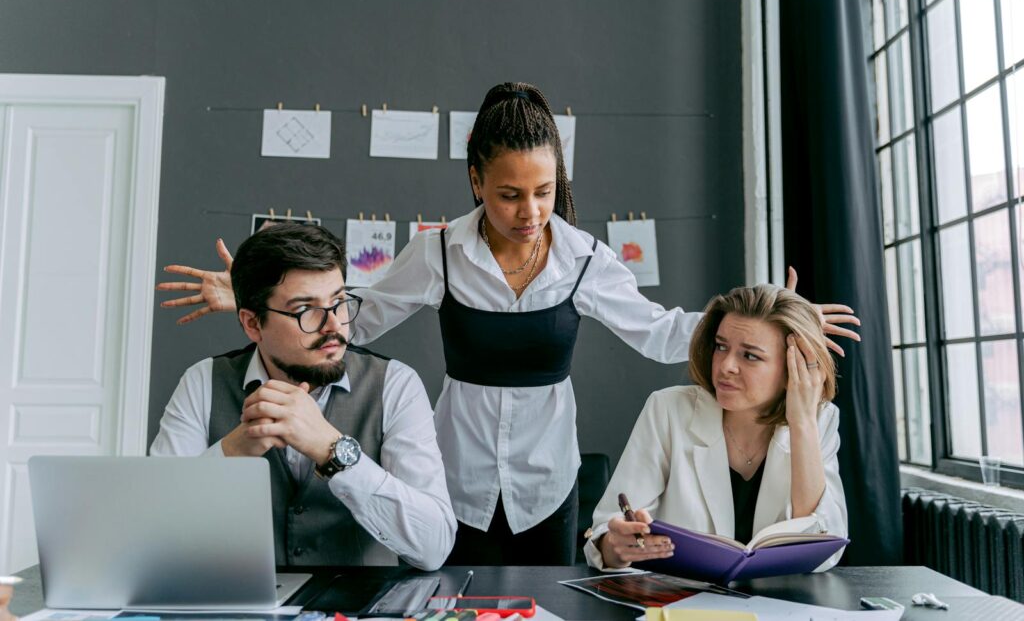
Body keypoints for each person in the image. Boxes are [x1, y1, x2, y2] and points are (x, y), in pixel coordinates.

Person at [156, 82, 860, 565]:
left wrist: (771, 313)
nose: (530, 211)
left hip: (546, 481)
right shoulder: (437, 251)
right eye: (509, 194)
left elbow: (664, 331)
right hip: (454, 478)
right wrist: (256, 296)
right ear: (474, 181)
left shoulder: (583, 260)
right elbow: (357, 314)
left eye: (545, 192)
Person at [150, 223, 456, 570]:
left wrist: (333, 450)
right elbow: (153, 535)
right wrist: (233, 451)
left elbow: (433, 548)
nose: (333, 326)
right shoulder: (203, 382)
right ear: (252, 324)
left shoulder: (395, 385)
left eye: (339, 302)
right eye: (305, 310)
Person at [584, 284, 847, 571]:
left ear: (792, 368)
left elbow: (824, 547)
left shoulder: (819, 420)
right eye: (721, 347)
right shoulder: (668, 409)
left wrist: (803, 424)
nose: (725, 366)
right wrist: (616, 548)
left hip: (780, 603)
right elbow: (605, 536)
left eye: (750, 355)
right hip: (679, 602)